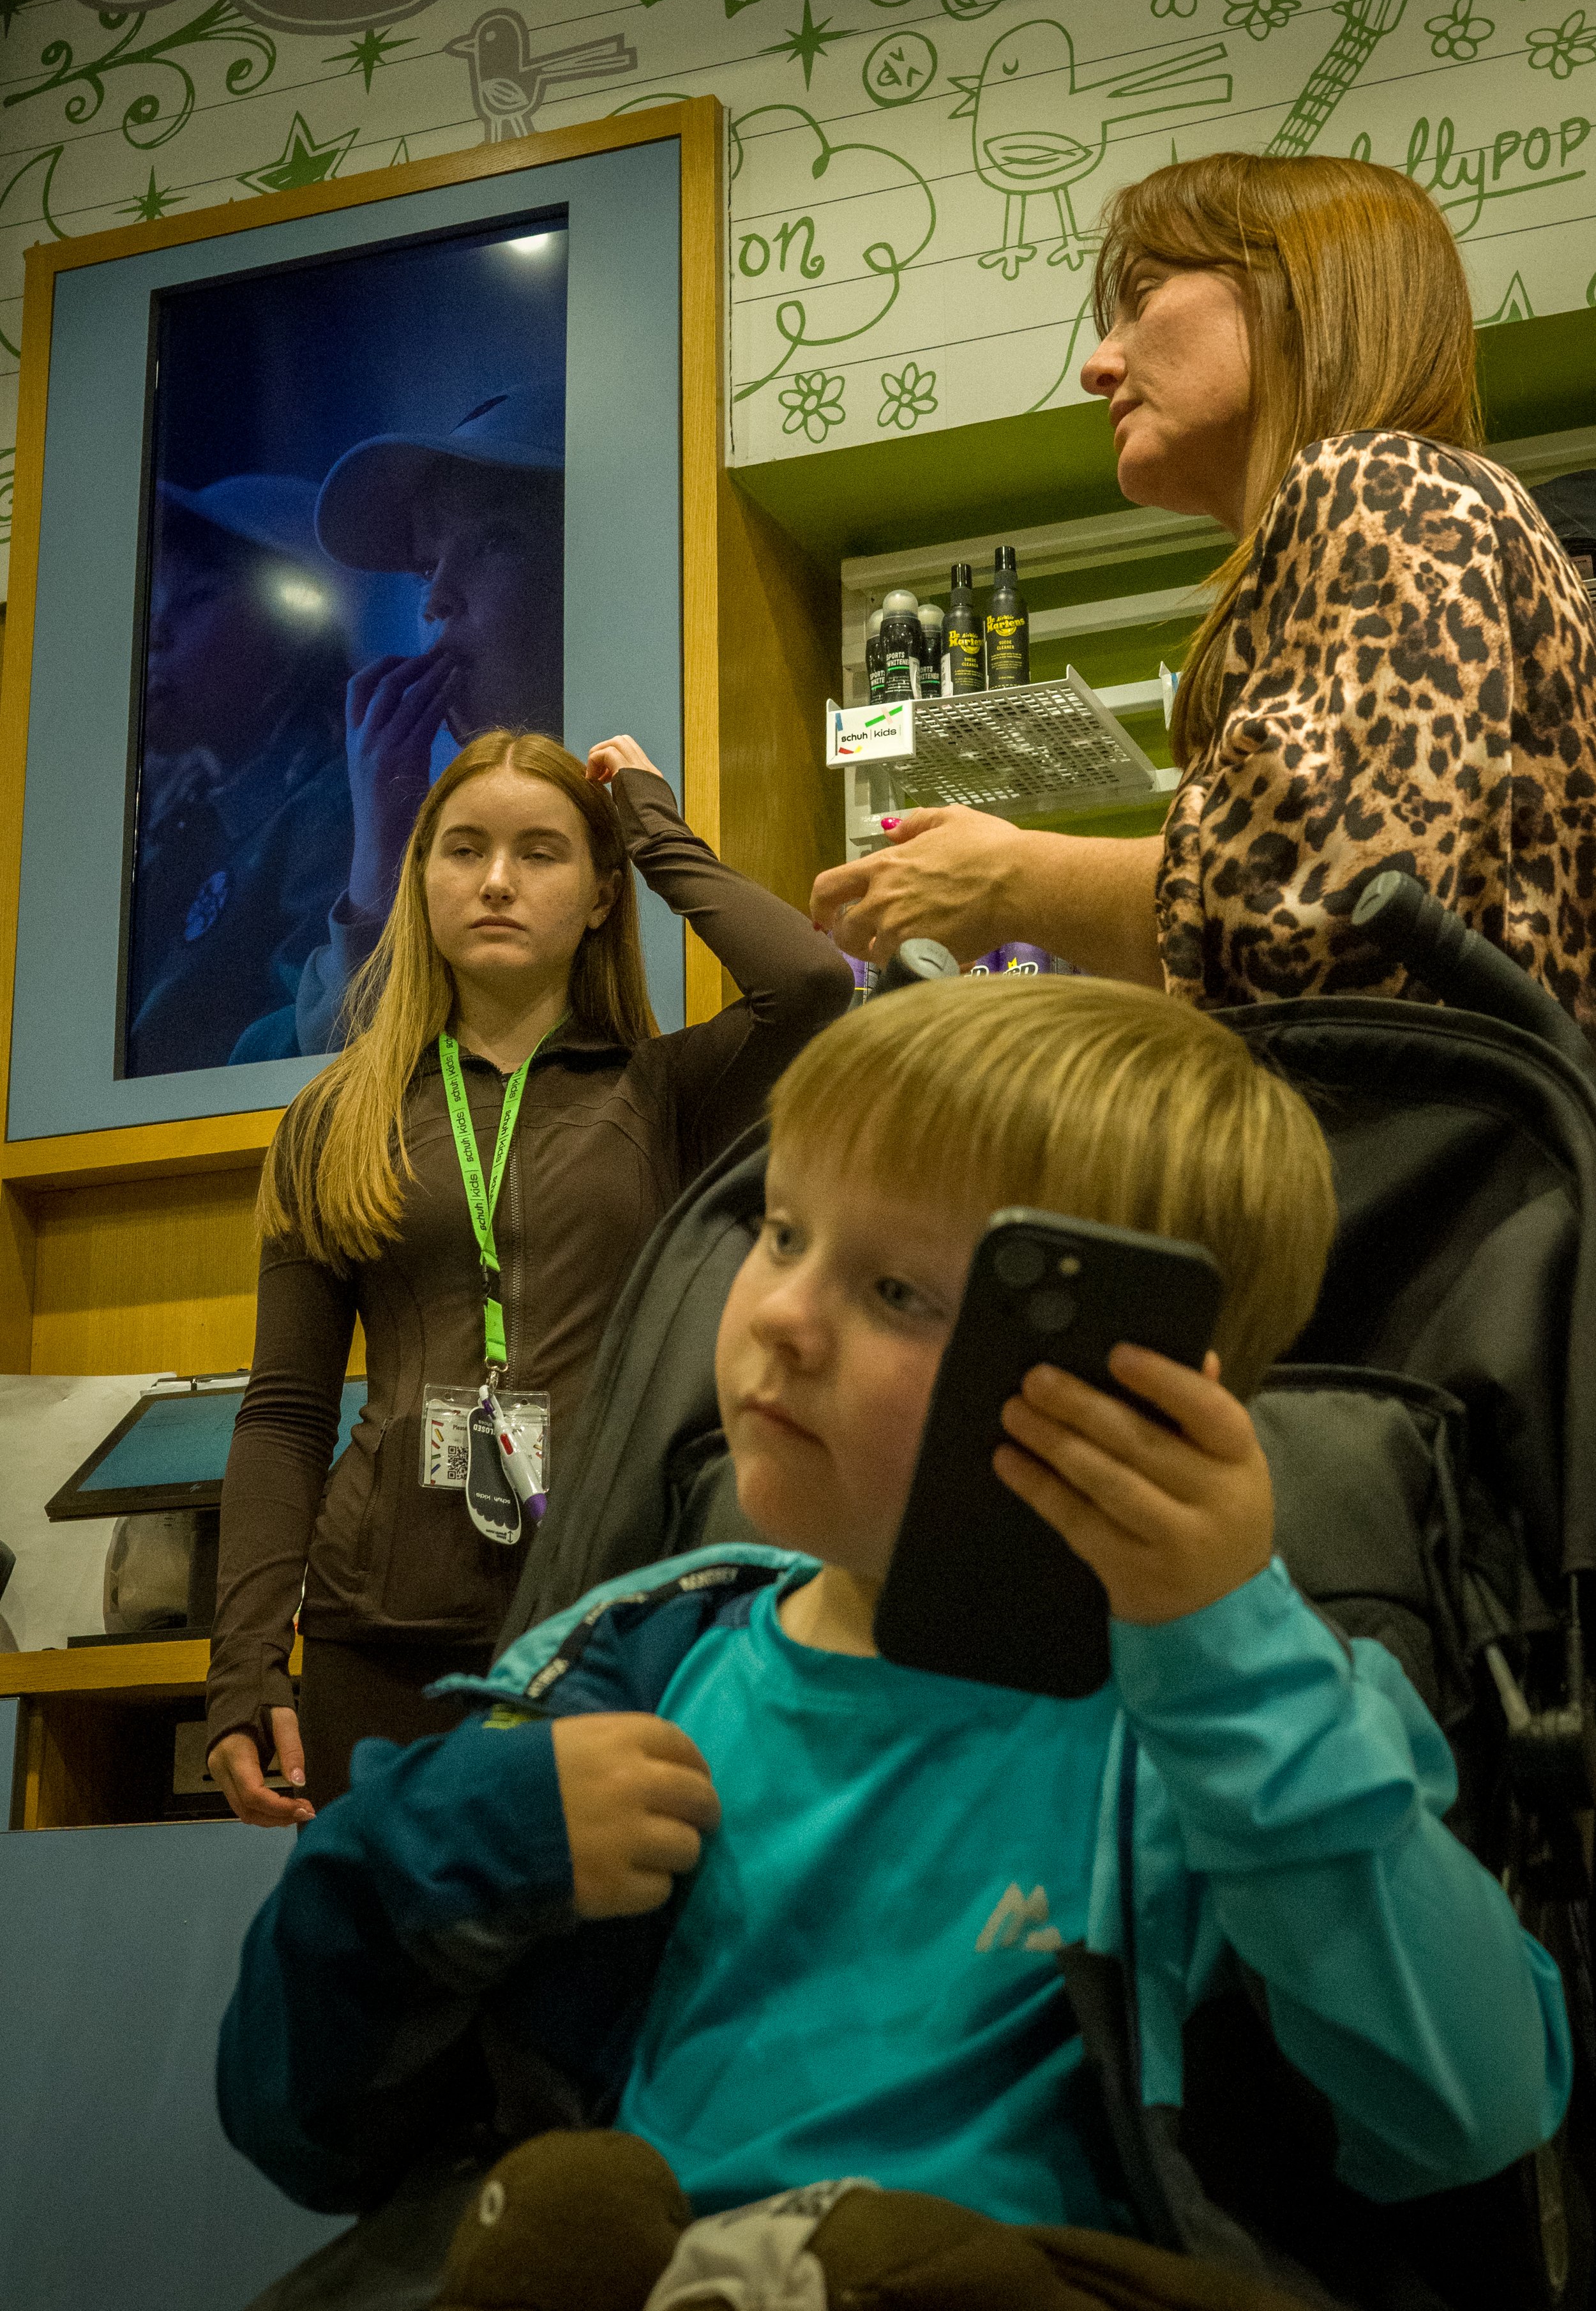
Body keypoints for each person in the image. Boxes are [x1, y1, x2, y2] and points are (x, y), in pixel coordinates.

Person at [216, 979, 1569, 2303]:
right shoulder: (630, 1663)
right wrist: (456, 1836)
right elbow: (294, 2123)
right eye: (784, 1232)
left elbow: (1467, 2112)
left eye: (901, 1295)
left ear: (1131, 1380)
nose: (780, 1321)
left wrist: (1227, 1657)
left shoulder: (1246, 1723)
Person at [204, 727, 852, 1825]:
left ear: (601, 895)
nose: (497, 881)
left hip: (618, 1614)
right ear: (421, 883)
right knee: (402, 1972)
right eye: (463, 849)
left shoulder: (669, 1090)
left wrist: (644, 815)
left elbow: (808, 980)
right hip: (380, 1635)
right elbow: (283, 1414)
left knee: (608, 1972)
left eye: (542, 852)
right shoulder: (338, 1117)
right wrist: (245, 1665)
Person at [811, 155, 1596, 1037]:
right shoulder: (1429, 510)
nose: (1099, 366)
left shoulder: (1374, 478)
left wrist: (1007, 877)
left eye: (1143, 296)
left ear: (1298, 293)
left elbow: (1321, 918)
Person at [296, 384, 565, 1054]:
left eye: (495, 541)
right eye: (426, 567)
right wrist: (380, 858)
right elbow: (342, 1072)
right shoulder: (440, 837)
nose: (437, 598)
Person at [126, 476, 354, 1073]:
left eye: (198, 597)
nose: (156, 632)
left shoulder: (333, 807)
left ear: (295, 629)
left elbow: (315, 1045)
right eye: (160, 600)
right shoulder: (171, 800)